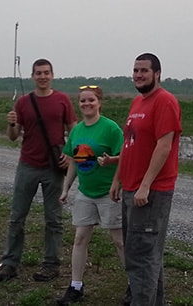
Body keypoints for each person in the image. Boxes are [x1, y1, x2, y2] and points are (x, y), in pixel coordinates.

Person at [0, 58, 77, 283]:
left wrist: (70, 154)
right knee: (17, 217)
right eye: (38, 73)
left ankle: (51, 264)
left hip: (53, 168)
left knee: (53, 219)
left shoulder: (62, 100)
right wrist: (11, 123)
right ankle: (9, 263)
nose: (42, 76)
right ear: (32, 76)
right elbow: (13, 137)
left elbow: (74, 130)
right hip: (28, 165)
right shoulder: (22, 103)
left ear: (52, 75)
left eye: (46, 72)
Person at [110, 53, 182, 306]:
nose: (138, 75)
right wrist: (118, 179)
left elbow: (164, 146)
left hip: (150, 192)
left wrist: (145, 185)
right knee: (146, 255)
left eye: (144, 71)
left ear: (157, 74)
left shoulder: (165, 101)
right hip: (132, 188)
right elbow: (129, 144)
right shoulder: (138, 102)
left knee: (141, 257)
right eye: (135, 70)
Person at [56, 85, 126, 305]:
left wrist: (115, 178)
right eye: (83, 101)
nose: (87, 104)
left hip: (109, 194)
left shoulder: (110, 128)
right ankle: (75, 286)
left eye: (91, 100)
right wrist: (66, 188)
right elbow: (74, 162)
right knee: (80, 238)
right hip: (85, 194)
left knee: (120, 241)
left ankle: (135, 285)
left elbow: (125, 157)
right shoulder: (77, 131)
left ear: (99, 103)